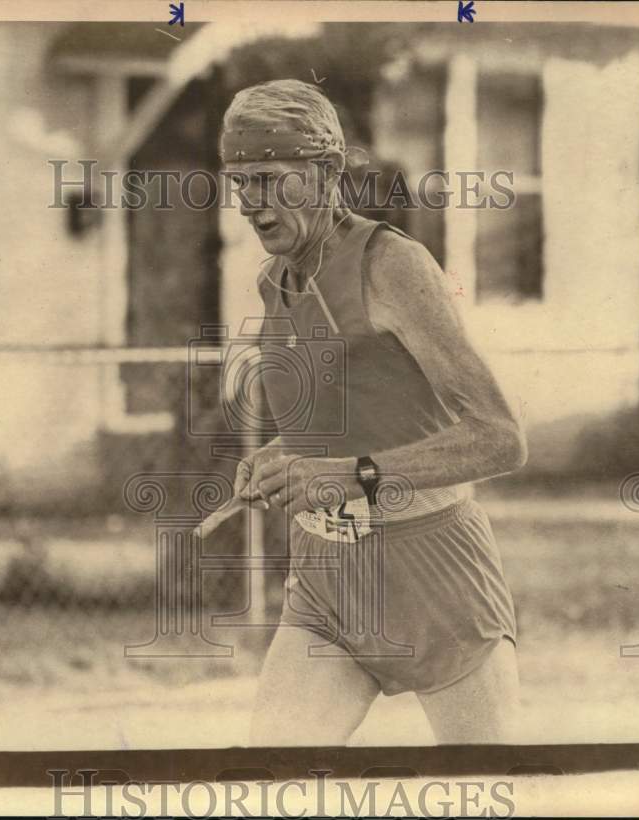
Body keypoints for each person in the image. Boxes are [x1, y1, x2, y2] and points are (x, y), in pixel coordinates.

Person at [220, 79, 527, 746]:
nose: (249, 202)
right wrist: (280, 455)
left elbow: (500, 439)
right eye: (239, 182)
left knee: (491, 789)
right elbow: (350, 411)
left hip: (433, 577)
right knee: (273, 775)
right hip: (326, 582)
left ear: (327, 171)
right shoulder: (274, 280)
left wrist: (352, 475)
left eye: (268, 180)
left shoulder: (392, 265)